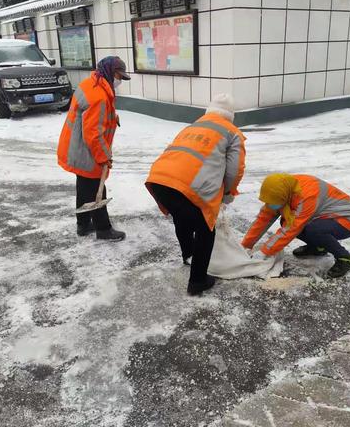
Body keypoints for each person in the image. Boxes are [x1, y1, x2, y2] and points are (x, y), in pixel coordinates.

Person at [146, 94, 246, 295]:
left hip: (158, 179)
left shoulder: (193, 126)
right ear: (231, 115)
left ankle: (188, 255)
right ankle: (198, 280)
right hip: (187, 186)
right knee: (205, 230)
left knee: (182, 218)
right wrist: (227, 193)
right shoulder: (232, 132)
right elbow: (235, 169)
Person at [57, 56, 130, 241]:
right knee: (97, 189)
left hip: (76, 146)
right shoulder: (99, 97)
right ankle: (103, 229)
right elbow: (94, 134)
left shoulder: (91, 84)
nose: (119, 80)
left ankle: (83, 224)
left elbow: (90, 118)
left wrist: (111, 118)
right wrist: (104, 157)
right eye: (118, 76)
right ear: (109, 72)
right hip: (87, 151)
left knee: (83, 188)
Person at [242, 173, 350, 278]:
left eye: (274, 203)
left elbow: (292, 228)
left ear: (284, 196)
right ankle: (318, 248)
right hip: (323, 218)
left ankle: (345, 259)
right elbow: (264, 219)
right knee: (286, 221)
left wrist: (265, 251)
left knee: (313, 230)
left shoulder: (306, 195)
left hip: (347, 220)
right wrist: (246, 245)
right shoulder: (282, 190)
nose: (271, 205)